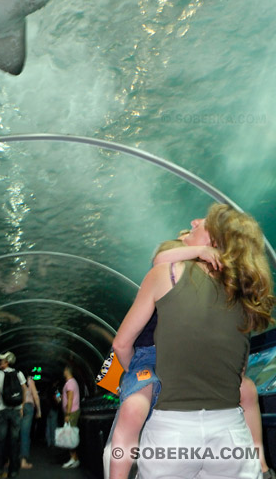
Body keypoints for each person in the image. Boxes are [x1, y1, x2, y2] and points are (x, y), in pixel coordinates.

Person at [112, 204, 275, 479]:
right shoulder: (245, 296)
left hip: (172, 433)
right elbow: (240, 373)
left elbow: (119, 344)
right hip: (230, 435)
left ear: (214, 241)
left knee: (133, 407)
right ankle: (262, 465)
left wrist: (148, 381)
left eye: (202, 223)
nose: (194, 220)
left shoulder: (167, 274)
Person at [0, 351, 27, 479]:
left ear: (7, 362)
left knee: (0, 441)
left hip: (2, 410)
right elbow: (24, 390)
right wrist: (21, 407)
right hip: (16, 411)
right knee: (14, 441)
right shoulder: (19, 374)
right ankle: (13, 471)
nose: (0, 362)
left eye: (2, 360)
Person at [20, 371, 42, 469]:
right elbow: (36, 396)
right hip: (28, 406)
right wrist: (39, 411)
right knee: (25, 433)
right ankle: (23, 461)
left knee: (13, 433)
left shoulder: (16, 378)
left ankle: (9, 459)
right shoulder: (30, 380)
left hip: (16, 406)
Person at [61, 365, 80, 469]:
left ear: (67, 371)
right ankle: (74, 458)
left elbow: (70, 399)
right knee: (70, 435)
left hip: (71, 412)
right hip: (72, 412)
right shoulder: (72, 382)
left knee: (70, 436)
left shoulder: (70, 383)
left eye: (64, 370)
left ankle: (74, 459)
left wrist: (67, 414)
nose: (63, 372)